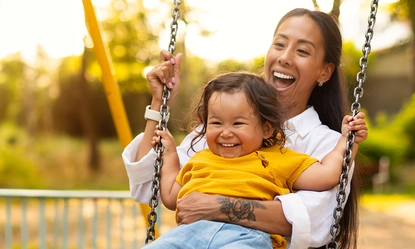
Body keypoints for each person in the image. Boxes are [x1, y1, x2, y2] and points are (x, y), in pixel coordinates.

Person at [122, 8, 359, 249]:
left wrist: (217, 206)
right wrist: (158, 104)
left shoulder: (327, 144)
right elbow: (148, 184)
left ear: (325, 71)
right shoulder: (219, 131)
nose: (285, 57)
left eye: (302, 51)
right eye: (279, 44)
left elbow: (314, 222)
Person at [141, 72, 367, 249]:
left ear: (266, 129)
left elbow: (327, 175)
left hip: (246, 237)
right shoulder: (199, 159)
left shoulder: (278, 159)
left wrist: (348, 142)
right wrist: (169, 154)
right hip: (190, 234)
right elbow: (172, 197)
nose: (226, 133)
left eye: (237, 124)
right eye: (216, 123)